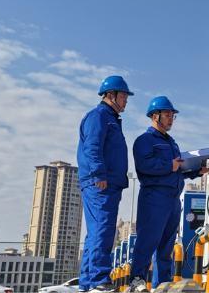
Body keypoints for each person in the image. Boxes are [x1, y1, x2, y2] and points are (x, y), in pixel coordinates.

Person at [127, 96, 205, 292]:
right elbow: (143, 165)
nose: (171, 119)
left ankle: (162, 284)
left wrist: (197, 170)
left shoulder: (172, 143)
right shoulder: (145, 140)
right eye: (168, 115)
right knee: (147, 240)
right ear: (155, 116)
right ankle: (137, 280)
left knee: (167, 245)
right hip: (154, 197)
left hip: (173, 199)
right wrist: (169, 165)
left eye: (172, 116)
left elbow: (178, 169)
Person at [77, 75, 133, 293]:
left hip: (107, 183)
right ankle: (99, 280)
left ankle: (87, 283)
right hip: (101, 183)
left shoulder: (109, 118)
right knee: (102, 230)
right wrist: (99, 174)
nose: (126, 100)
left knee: (96, 233)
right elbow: (92, 146)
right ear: (111, 95)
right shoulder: (99, 116)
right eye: (123, 96)